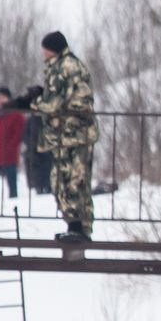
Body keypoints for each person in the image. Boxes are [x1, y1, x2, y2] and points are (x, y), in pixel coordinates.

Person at [23, 31, 97, 244]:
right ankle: (81, 228)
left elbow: (54, 104)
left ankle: (76, 227)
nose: (43, 53)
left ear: (52, 49)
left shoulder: (63, 67)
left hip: (71, 133)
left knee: (69, 180)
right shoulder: (71, 64)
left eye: (45, 49)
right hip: (76, 132)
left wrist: (32, 102)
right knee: (77, 180)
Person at [0, 86, 26, 200]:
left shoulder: (16, 115)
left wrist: (10, 147)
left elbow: (18, 134)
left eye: (3, 97)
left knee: (12, 185)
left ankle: (13, 206)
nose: (0, 100)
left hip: (9, 156)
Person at [23, 104, 53, 197]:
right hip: (33, 150)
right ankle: (38, 187)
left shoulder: (50, 119)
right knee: (35, 170)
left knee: (48, 169)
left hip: (48, 150)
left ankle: (48, 186)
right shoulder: (31, 120)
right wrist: (32, 144)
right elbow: (25, 135)